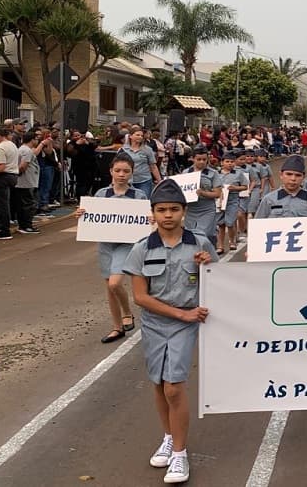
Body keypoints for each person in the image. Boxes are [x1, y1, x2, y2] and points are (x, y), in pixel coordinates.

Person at [123, 179, 218, 484]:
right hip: (155, 324)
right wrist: (180, 312)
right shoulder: (141, 249)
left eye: (174, 209)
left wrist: (208, 265)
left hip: (185, 325)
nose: (168, 215)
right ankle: (168, 436)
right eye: (161, 209)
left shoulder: (200, 243)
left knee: (174, 386)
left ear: (183, 211)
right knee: (158, 383)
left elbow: (221, 281)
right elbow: (140, 297)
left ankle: (179, 454)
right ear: (153, 213)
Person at [76, 153, 148, 343]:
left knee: (115, 283)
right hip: (106, 244)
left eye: (126, 171)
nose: (122, 174)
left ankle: (127, 312)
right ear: (111, 172)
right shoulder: (101, 193)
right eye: (118, 170)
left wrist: (150, 219)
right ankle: (117, 327)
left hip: (127, 244)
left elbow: (146, 220)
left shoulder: (138, 196)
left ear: (132, 173)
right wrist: (81, 213)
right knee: (109, 286)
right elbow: (92, 216)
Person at [254, 155, 307, 255]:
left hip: (303, 252)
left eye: (298, 175)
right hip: (275, 252)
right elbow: (258, 227)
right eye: (289, 174)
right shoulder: (269, 199)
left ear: (303, 177)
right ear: (281, 175)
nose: (293, 179)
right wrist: (253, 249)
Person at [183, 146, 221, 247]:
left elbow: (217, 194)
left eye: (204, 159)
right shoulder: (186, 173)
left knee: (204, 234)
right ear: (193, 159)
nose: (201, 162)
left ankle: (210, 248)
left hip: (207, 209)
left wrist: (203, 193)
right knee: (190, 235)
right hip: (191, 209)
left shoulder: (213, 173)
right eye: (198, 159)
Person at [212, 152, 248, 255]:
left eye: (232, 162)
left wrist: (235, 188)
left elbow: (245, 186)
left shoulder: (238, 173)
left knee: (230, 222)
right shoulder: (216, 173)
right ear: (222, 163)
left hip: (232, 200)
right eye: (227, 162)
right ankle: (220, 246)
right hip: (219, 201)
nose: (230, 164)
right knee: (220, 224)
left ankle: (232, 241)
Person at [122, 127, 163, 198]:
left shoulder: (147, 150)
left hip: (144, 180)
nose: (140, 137)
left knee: (143, 201)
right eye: (137, 135)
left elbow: (153, 166)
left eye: (141, 136)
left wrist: (159, 181)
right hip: (128, 181)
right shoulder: (123, 149)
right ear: (131, 136)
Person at [13, 131, 40, 235]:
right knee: (28, 204)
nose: (37, 141)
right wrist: (18, 173)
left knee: (24, 204)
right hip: (26, 181)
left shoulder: (23, 149)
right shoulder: (27, 151)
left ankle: (24, 225)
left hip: (26, 181)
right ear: (32, 139)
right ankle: (26, 225)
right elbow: (23, 166)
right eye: (36, 139)